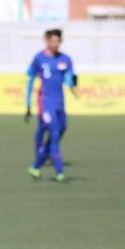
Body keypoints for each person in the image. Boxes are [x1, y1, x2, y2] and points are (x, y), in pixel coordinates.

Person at [25, 29, 77, 182]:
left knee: (62, 129)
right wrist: (28, 104)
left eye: (57, 41)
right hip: (46, 102)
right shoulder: (39, 58)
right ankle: (60, 172)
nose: (55, 44)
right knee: (53, 133)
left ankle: (35, 166)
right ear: (47, 41)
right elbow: (30, 79)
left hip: (60, 102)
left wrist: (73, 85)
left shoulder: (65, 59)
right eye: (52, 41)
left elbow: (69, 78)